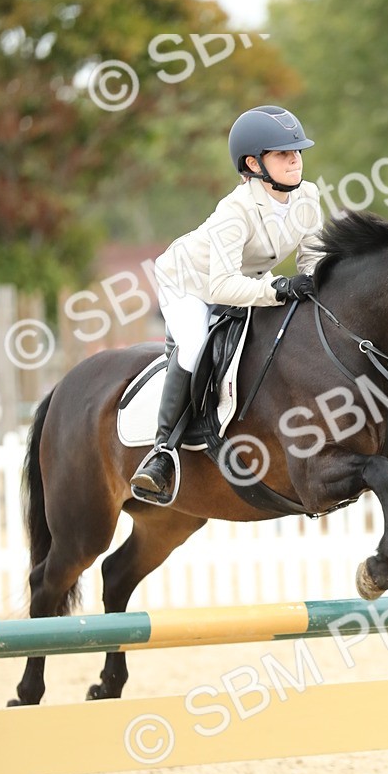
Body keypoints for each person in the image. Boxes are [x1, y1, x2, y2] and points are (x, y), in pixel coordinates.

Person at [130, 104, 323, 505]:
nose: (294, 160)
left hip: (244, 281)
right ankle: (162, 452)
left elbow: (311, 260)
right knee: (195, 342)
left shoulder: (308, 196)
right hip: (189, 282)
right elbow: (220, 286)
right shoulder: (234, 211)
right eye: (283, 153)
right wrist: (279, 289)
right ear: (254, 163)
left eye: (297, 152)